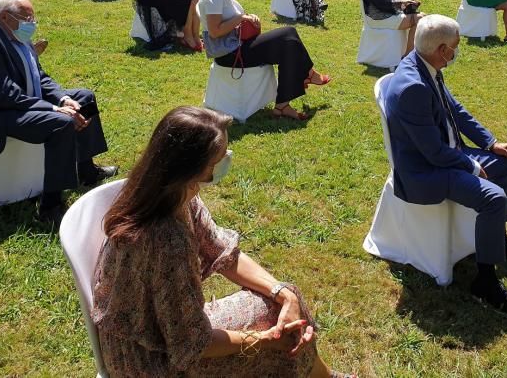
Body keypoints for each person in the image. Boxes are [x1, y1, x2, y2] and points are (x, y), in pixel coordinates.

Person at [92, 106, 353, 378]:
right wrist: (265, 339)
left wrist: (283, 293)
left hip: (162, 333)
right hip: (146, 362)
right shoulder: (167, 238)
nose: (225, 161)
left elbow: (224, 253)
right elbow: (192, 344)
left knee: (287, 303)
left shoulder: (170, 193)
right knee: (281, 333)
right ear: (192, 169)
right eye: (219, 159)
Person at [384, 15, 507, 313]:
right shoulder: (413, 86)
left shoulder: (424, 63)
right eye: (455, 46)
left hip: (446, 155)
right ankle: (486, 283)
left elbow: (456, 110)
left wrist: (490, 143)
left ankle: (498, 240)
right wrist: (472, 165)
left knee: (504, 164)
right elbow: (434, 154)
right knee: (493, 197)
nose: (457, 51)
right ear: (441, 50)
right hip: (427, 172)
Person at [0, 0, 116, 224]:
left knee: (84, 97)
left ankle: (86, 170)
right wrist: (53, 109)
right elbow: (4, 95)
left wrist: (63, 99)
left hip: (18, 100)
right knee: (62, 123)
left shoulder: (12, 32)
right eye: (26, 18)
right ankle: (51, 207)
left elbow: (39, 76)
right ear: (4, 16)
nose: (31, 23)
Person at [199, 0, 331, 121]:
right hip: (229, 54)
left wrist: (247, 17)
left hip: (238, 45)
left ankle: (287, 100)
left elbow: (230, 19)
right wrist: (240, 18)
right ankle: (304, 80)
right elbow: (214, 32)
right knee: (288, 36)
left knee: (289, 42)